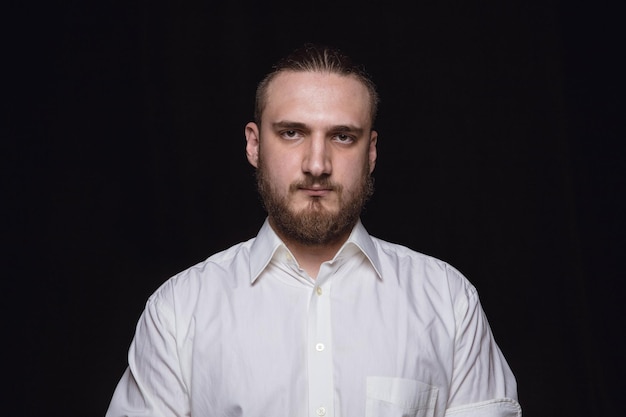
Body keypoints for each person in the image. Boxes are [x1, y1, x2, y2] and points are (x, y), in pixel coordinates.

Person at [105, 43, 521, 417]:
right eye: (291, 133)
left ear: (371, 151)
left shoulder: (448, 303)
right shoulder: (179, 312)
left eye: (342, 136)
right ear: (253, 144)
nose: (317, 164)